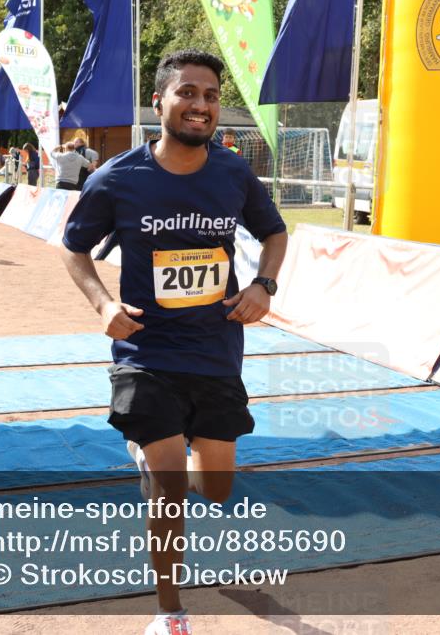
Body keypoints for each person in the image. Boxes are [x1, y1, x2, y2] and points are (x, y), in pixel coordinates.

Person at [60, 49, 287, 635]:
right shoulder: (118, 178)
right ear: (159, 101)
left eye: (210, 96)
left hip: (215, 351)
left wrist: (263, 285)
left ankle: (155, 450)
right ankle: (170, 612)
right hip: (145, 351)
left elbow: (275, 233)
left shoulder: (234, 175)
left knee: (215, 487)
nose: (200, 105)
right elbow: (73, 247)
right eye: (187, 93)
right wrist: (103, 303)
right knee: (168, 487)